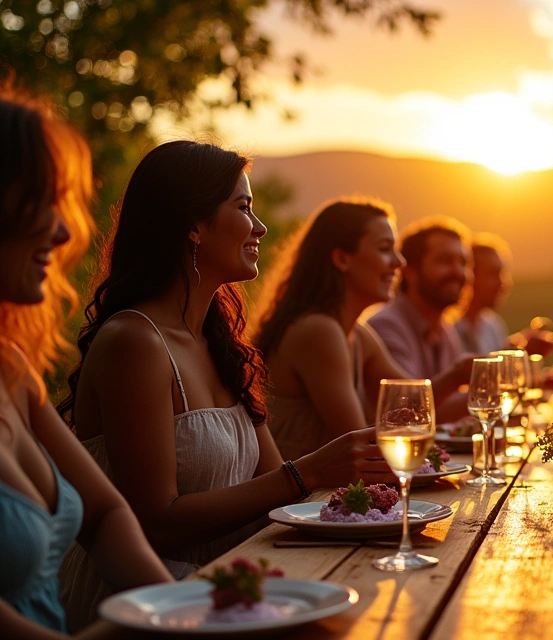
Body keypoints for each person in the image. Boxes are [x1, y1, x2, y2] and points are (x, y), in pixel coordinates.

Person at [56, 141, 395, 630]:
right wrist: (310, 472)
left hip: (235, 585)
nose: (258, 227)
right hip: (155, 601)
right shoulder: (134, 342)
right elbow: (157, 520)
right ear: (193, 226)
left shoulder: (221, 343)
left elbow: (277, 493)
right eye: (243, 207)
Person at [0, 88, 173, 637]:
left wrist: (178, 611)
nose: (64, 230)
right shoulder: (134, 339)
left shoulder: (12, 371)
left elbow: (104, 514)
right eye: (42, 200)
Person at [253, 197, 469, 460]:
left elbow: (412, 403)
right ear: (342, 259)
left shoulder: (357, 334)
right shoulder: (319, 331)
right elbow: (360, 447)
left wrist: (469, 375)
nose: (399, 262)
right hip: (303, 501)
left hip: (327, 497)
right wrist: (460, 374)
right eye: (385, 249)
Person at [367, 215, 473, 421]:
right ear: (410, 271)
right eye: (444, 261)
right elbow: (405, 412)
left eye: (463, 262)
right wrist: (459, 378)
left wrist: (502, 389)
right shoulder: (385, 327)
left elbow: (440, 408)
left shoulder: (444, 328)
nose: (458, 272)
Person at [453, 233, 553, 358]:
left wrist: (520, 349)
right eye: (493, 274)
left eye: (503, 274)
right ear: (469, 276)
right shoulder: (448, 330)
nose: (504, 284)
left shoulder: (491, 325)